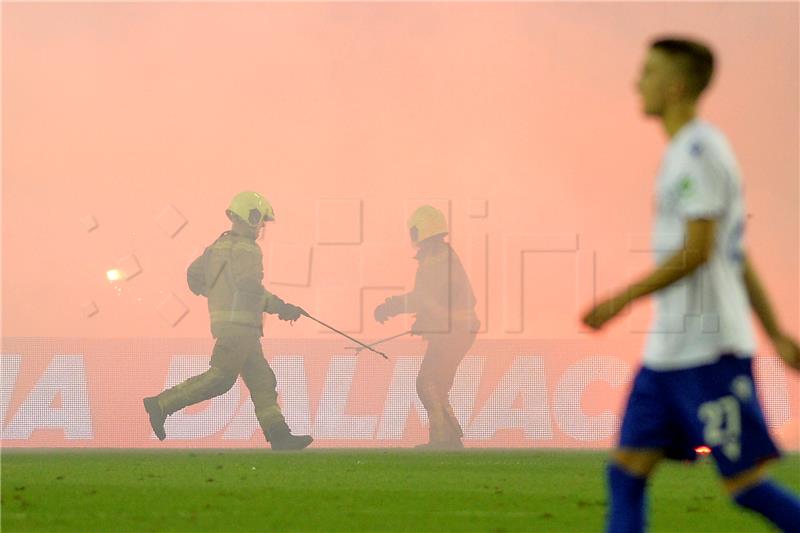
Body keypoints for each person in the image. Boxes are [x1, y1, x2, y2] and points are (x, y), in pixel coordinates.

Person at [582, 37, 800, 532]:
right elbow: (735, 256)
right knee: (625, 472)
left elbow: (702, 250)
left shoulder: (698, 153)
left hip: (709, 351)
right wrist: (777, 332)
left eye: (649, 71)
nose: (638, 81)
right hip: (669, 352)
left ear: (676, 86)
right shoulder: (684, 152)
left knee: (745, 486)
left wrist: (622, 298)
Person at [144, 191, 313, 450]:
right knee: (221, 378)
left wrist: (219, 293)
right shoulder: (248, 249)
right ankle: (161, 404)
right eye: (262, 221)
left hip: (232, 326)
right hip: (241, 327)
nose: (262, 227)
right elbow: (250, 288)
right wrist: (282, 308)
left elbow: (194, 276)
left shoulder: (218, 246)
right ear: (252, 216)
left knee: (261, 380)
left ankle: (279, 435)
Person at [374, 205, 479, 449]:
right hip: (459, 329)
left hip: (453, 331)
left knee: (427, 382)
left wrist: (390, 306)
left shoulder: (436, 260)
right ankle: (451, 437)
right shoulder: (443, 255)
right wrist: (426, 321)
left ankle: (441, 438)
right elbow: (436, 300)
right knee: (438, 383)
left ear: (420, 231)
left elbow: (423, 297)